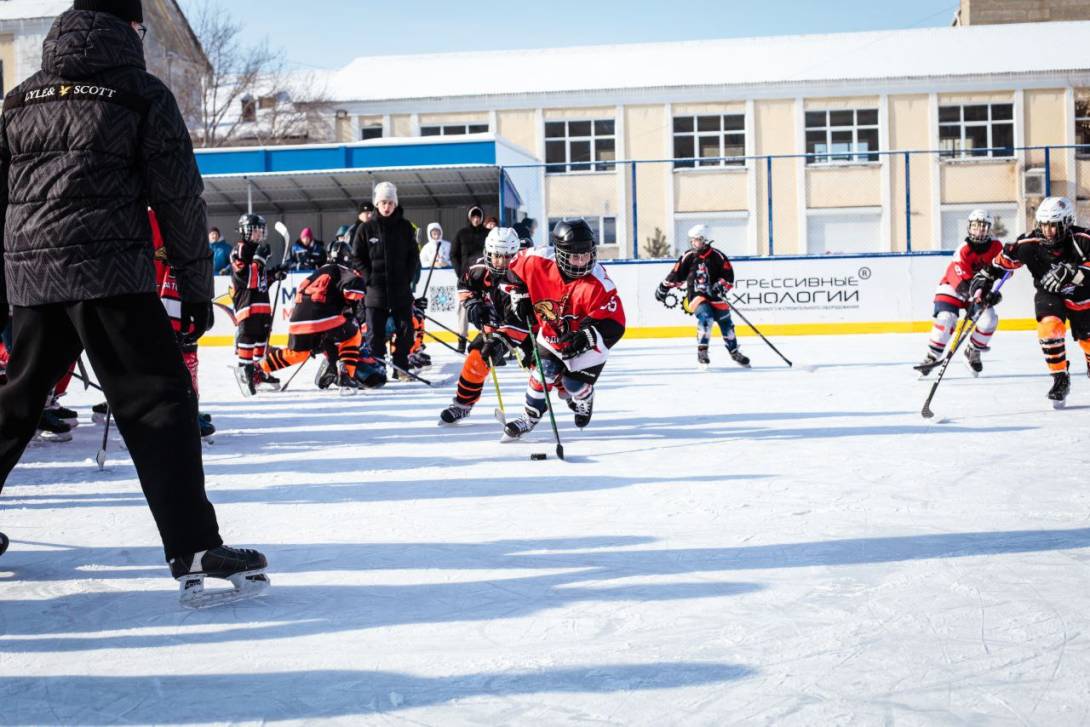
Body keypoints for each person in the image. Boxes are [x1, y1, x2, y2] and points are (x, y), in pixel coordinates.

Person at [0, 0, 267, 603]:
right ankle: (195, 546)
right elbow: (178, 198)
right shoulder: (140, 93)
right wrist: (196, 289)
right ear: (129, 28)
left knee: (15, 405)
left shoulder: (19, 99)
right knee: (160, 406)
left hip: (32, 281)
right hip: (110, 275)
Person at [501, 219, 626, 439]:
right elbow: (512, 270)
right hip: (551, 334)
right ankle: (528, 418)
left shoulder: (598, 283)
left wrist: (585, 337)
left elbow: (614, 324)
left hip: (588, 343)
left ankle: (585, 397)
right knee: (543, 372)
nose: (581, 263)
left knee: (571, 384)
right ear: (559, 253)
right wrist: (519, 293)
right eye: (575, 257)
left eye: (586, 255)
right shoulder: (535, 259)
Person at [971, 196, 1090, 407]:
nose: (1048, 231)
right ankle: (1060, 377)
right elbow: (998, 265)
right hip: (1049, 294)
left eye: (1054, 226)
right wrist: (982, 283)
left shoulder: (1083, 239)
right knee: (1049, 328)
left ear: (1067, 223)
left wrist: (1075, 273)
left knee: (1087, 341)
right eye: (1043, 225)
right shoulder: (1028, 244)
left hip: (1083, 296)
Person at [260, 240, 384, 394]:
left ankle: (257, 370)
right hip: (324, 319)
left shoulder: (315, 273)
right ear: (346, 258)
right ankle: (346, 375)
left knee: (298, 353)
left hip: (297, 322)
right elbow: (352, 291)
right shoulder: (343, 271)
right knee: (353, 335)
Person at [439, 227, 530, 425]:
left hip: (526, 329)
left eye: (507, 256)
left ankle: (573, 393)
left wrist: (503, 340)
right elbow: (465, 287)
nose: (501, 262)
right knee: (476, 360)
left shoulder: (525, 275)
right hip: (494, 326)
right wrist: (472, 304)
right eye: (496, 256)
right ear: (487, 252)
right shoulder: (476, 269)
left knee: (545, 366)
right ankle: (462, 405)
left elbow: (522, 319)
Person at [915, 209, 1004, 377]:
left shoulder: (996, 247)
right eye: (976, 227)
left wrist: (992, 292)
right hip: (954, 287)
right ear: (969, 228)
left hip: (977, 291)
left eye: (983, 227)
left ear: (989, 228)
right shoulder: (964, 250)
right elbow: (961, 282)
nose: (979, 231)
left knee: (989, 320)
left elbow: (1002, 269)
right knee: (946, 318)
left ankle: (973, 351)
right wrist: (981, 295)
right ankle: (931, 356)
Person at [655, 224, 750, 369]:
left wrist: (720, 285)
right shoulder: (689, 256)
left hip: (716, 296)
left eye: (697, 239)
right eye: (692, 240)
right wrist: (664, 287)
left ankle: (734, 351)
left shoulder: (718, 256)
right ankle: (702, 351)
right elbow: (676, 273)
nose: (693, 242)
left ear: (705, 240)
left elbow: (728, 276)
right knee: (706, 318)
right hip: (697, 296)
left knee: (726, 323)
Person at [351, 181, 420, 377]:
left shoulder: (406, 227)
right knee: (375, 334)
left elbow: (413, 255)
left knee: (406, 332)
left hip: (400, 290)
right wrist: (369, 277)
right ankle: (377, 367)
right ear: (377, 204)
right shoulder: (366, 229)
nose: (387, 206)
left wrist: (406, 277)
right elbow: (357, 257)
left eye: (390, 202)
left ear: (395, 204)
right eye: (383, 202)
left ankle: (401, 367)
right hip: (375, 291)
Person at [230, 213, 285, 396]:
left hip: (262, 302)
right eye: (255, 230)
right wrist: (259, 261)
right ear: (245, 231)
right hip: (247, 302)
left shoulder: (257, 250)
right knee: (249, 335)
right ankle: (245, 370)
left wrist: (274, 275)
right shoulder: (240, 249)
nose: (259, 233)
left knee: (262, 336)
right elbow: (246, 279)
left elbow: (261, 281)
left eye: (261, 230)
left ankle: (257, 370)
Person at [450, 206, 489, 352]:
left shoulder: (488, 234)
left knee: (487, 307)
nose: (476, 219)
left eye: (479, 216)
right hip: (466, 279)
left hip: (484, 277)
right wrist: (459, 272)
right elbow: (453, 254)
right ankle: (462, 339)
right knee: (463, 309)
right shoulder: (462, 234)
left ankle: (487, 339)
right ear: (469, 218)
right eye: (474, 216)